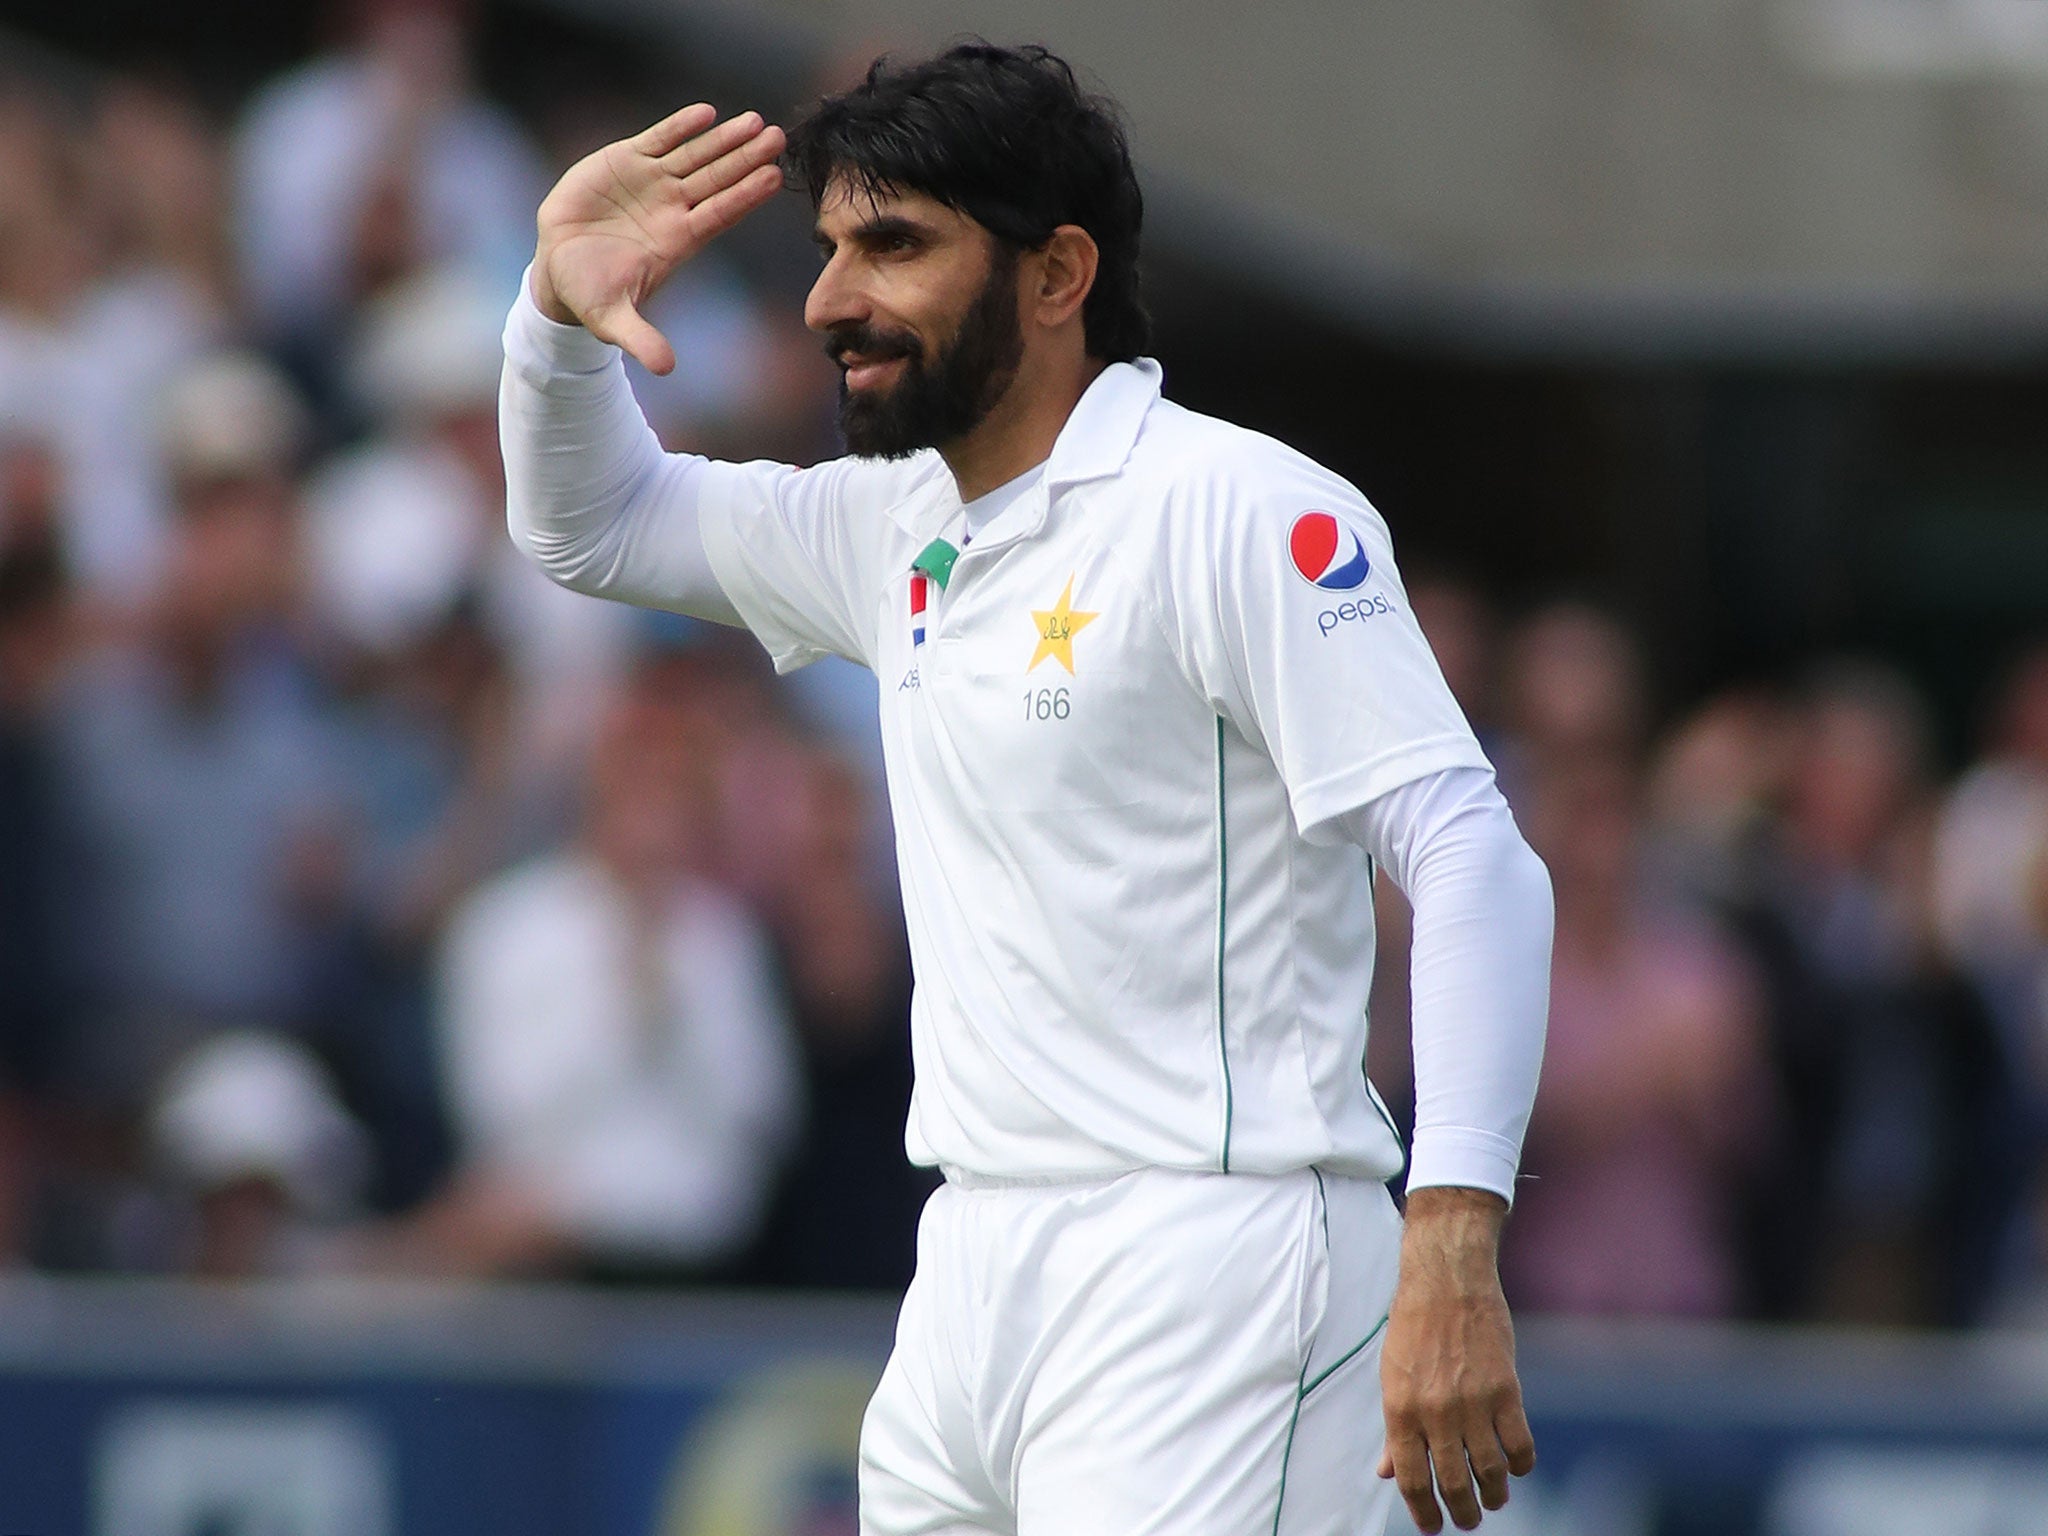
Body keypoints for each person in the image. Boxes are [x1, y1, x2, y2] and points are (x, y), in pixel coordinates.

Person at [500, 44, 1552, 1536]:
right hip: (973, 1269)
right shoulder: (890, 525)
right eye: (829, 250)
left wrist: (1453, 1237)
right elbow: (591, 523)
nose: (830, 300)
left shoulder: (1245, 510)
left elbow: (1470, 857)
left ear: (1058, 274)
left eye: (897, 245)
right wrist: (556, 311)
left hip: (1216, 1258)